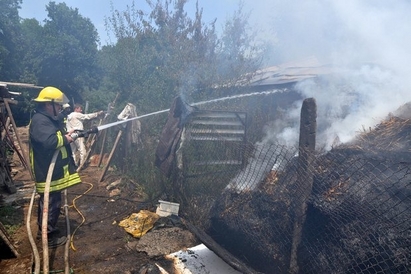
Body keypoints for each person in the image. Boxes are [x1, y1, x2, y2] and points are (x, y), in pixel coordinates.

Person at [29, 86, 81, 247]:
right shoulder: (40, 121)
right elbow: (50, 142)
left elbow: (55, 135)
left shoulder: (46, 119)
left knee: (53, 201)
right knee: (50, 203)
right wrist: (66, 139)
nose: (59, 108)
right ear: (48, 105)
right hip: (46, 171)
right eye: (57, 105)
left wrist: (66, 134)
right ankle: (48, 236)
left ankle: (48, 230)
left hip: (52, 171)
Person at [66, 103, 104, 169]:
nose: (81, 111)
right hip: (78, 135)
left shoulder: (69, 116)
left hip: (70, 135)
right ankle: (81, 166)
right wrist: (97, 114)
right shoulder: (76, 114)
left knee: (73, 152)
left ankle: (74, 166)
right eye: (80, 109)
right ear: (76, 109)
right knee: (82, 151)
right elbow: (86, 116)